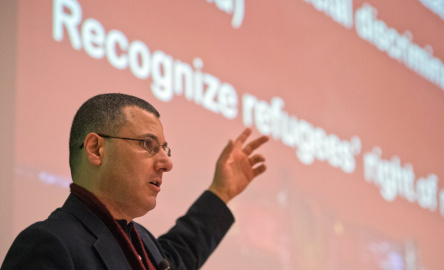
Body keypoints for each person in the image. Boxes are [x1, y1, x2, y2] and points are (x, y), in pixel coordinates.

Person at [1, 93, 269, 270]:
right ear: (95, 149)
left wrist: (221, 192)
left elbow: (180, 252)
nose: (167, 163)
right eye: (148, 144)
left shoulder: (142, 242)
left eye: (165, 149)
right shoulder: (49, 245)